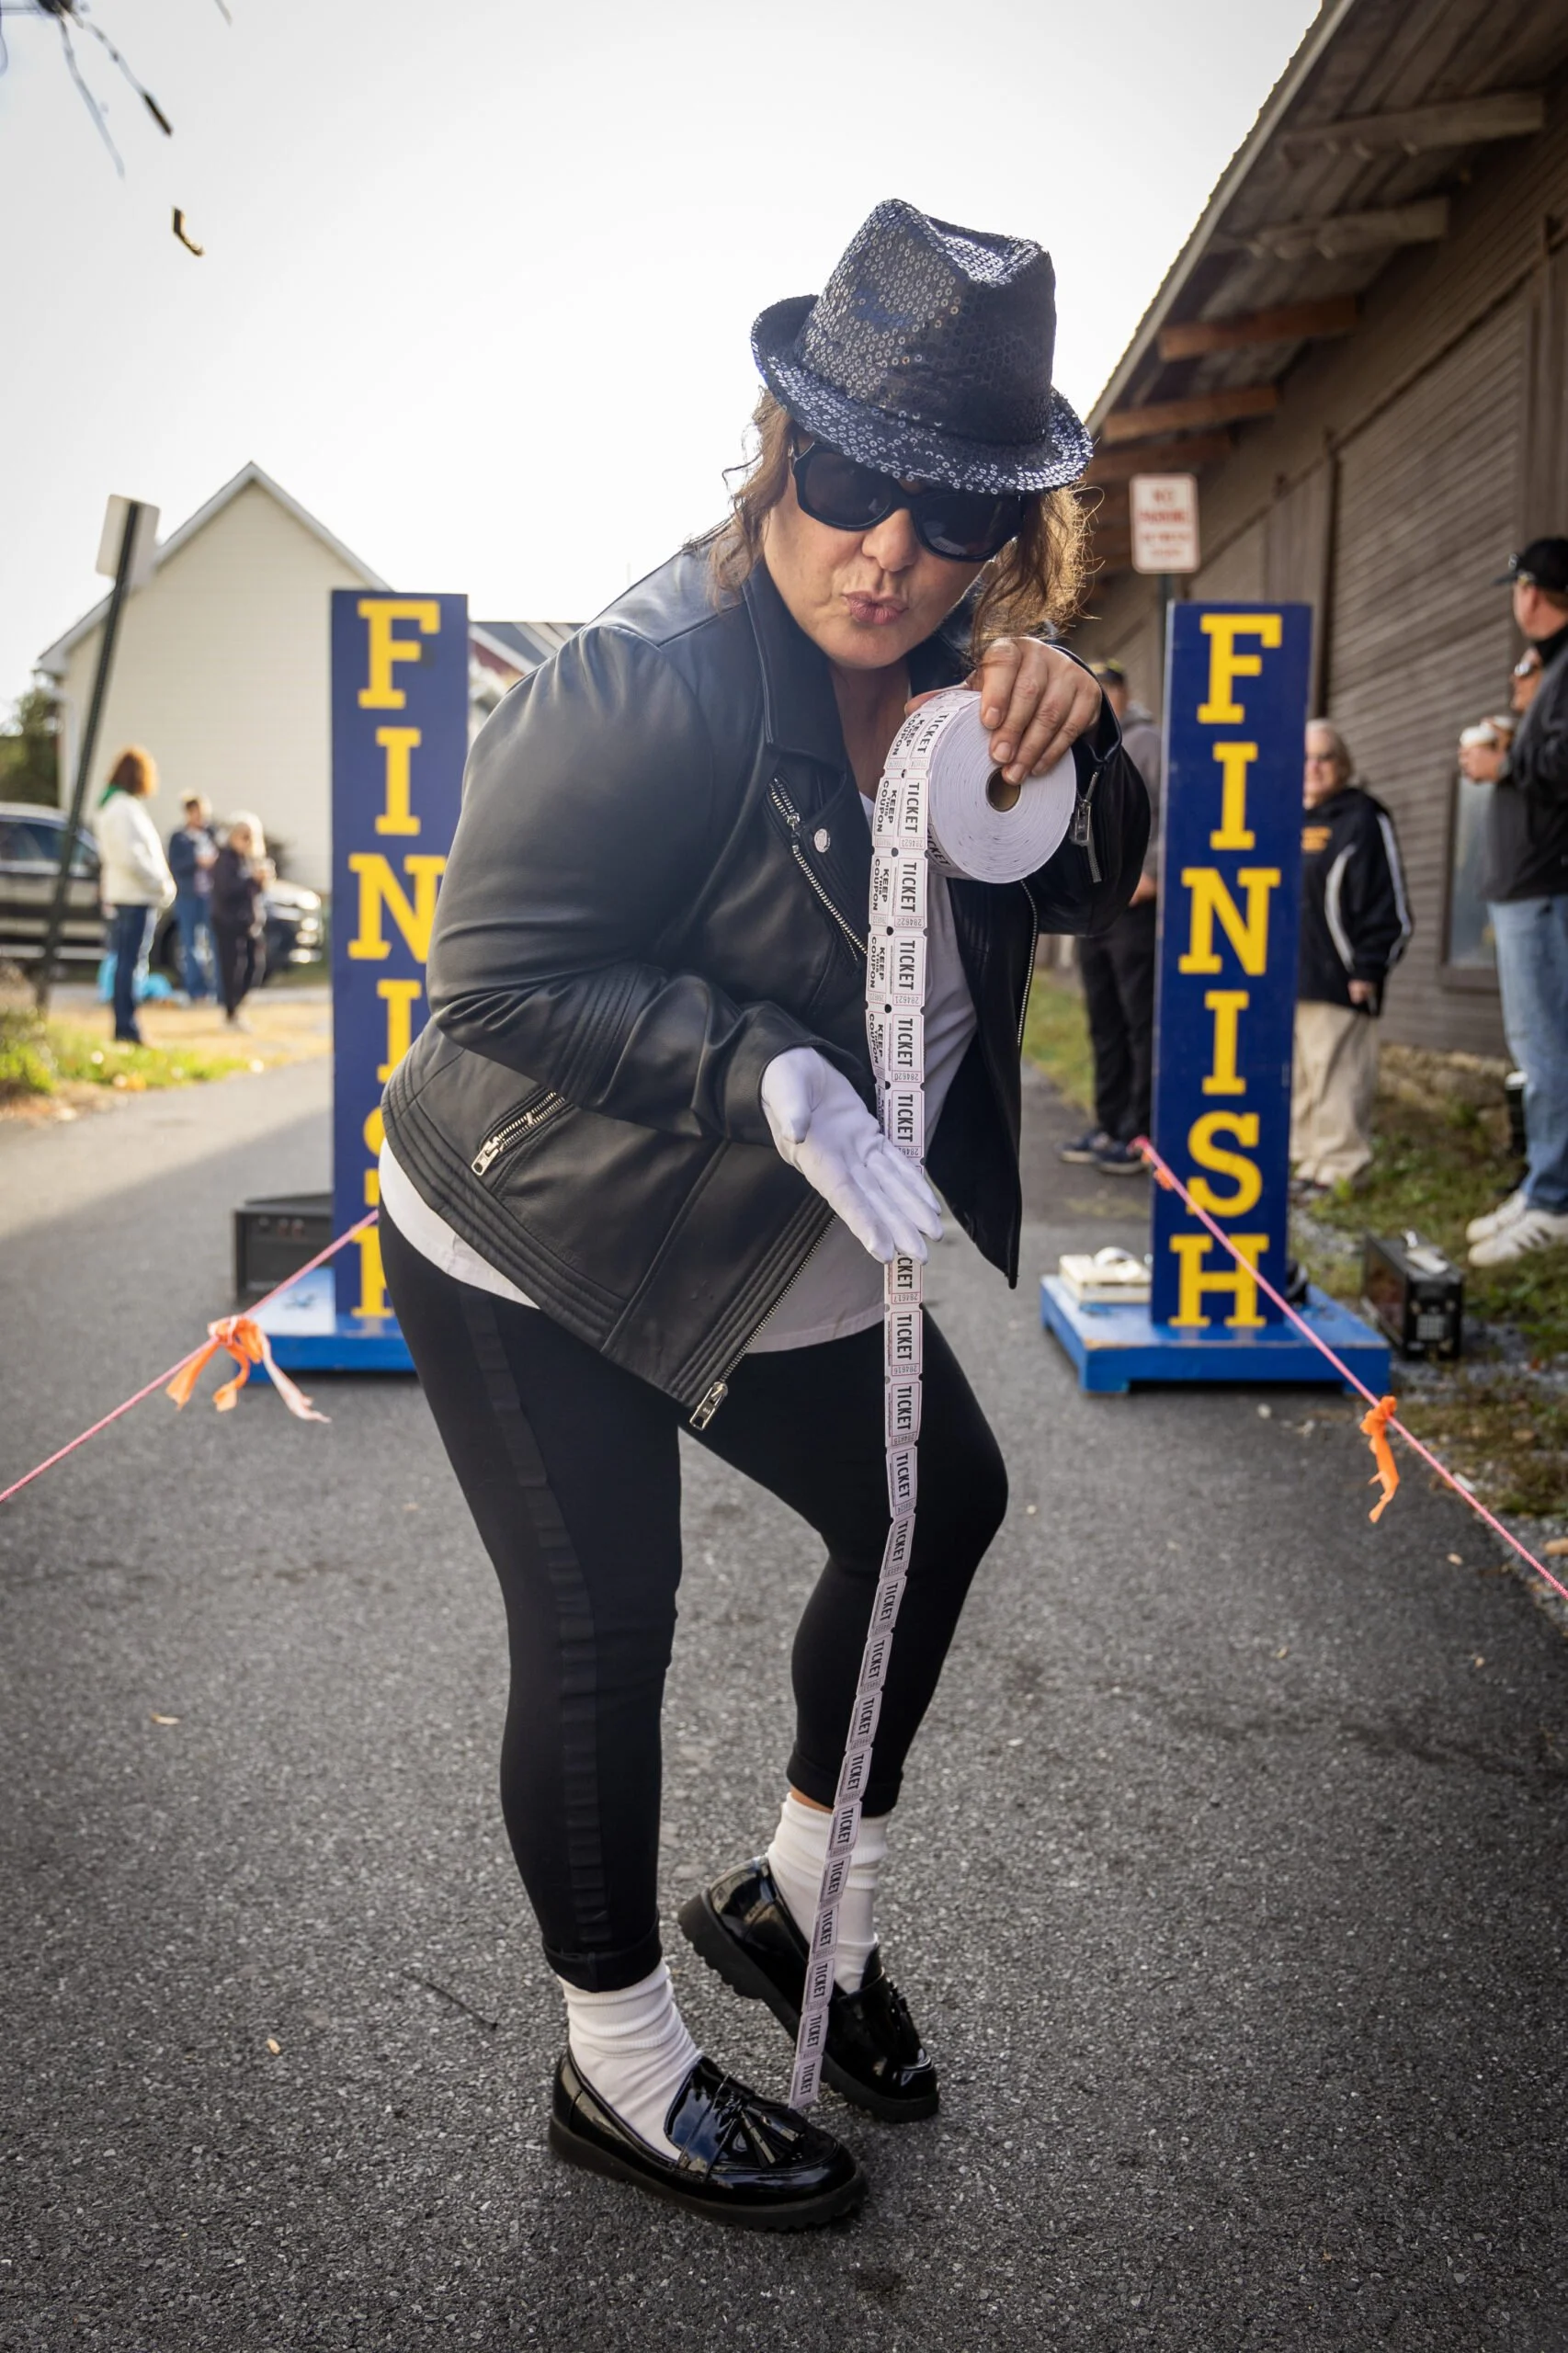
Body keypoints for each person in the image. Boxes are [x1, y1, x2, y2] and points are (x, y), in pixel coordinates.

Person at [376, 199, 1148, 2229]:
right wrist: (772, 1072)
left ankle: (796, 1904)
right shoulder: (642, 681)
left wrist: (1086, 736)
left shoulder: (971, 677)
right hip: (536, 1209)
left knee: (931, 1504)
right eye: (844, 480)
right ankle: (615, 2065)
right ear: (774, 450)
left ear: (1008, 537)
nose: (879, 545)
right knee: (604, 1619)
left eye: (944, 513)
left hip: (769, 1206)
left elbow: (1078, 877)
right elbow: (499, 984)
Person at [1459, 538, 1568, 1267]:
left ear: (1532, 592)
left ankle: (1553, 1201)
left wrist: (1506, 759)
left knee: (1547, 1047)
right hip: (1525, 885)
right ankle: (1540, 1186)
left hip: (1544, 886)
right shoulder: (1551, 672)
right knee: (1537, 1046)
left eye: (1519, 588)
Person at [1290, 720, 1411, 1197]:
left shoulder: (1363, 817)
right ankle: (1306, 1164)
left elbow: (1388, 902)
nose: (1313, 768)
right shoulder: (1287, 818)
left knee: (1337, 1076)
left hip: (1341, 977)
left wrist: (1368, 967)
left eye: (1324, 758)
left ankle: (1339, 1170)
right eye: (1305, 759)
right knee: (1300, 1079)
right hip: (1291, 977)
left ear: (1343, 765)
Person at [1061, 657, 1161, 1174]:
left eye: (1108, 688)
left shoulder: (1146, 742)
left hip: (1134, 906)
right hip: (1095, 906)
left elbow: (1169, 811)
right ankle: (1109, 1123)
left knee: (1136, 1020)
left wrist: (1155, 874)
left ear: (1121, 694)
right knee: (1103, 1021)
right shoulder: (1081, 744)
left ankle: (1138, 1132)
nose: (1099, 695)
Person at [93, 746, 175, 1046]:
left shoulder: (114, 806)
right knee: (130, 962)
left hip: (129, 893)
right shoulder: (122, 808)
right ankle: (127, 1027)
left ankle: (127, 1025)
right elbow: (133, 857)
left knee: (128, 960)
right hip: (135, 895)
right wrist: (160, 884)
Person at [210, 815, 268, 1029]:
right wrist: (251, 879)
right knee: (231, 969)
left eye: (251, 837)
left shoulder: (249, 859)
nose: (247, 841)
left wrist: (261, 881)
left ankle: (238, 1006)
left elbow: (253, 892)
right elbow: (227, 890)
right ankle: (231, 1012)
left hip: (249, 923)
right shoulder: (225, 859)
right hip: (228, 922)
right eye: (243, 836)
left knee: (255, 966)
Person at [166, 793, 217, 1002]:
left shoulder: (211, 835)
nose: (200, 818)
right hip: (188, 896)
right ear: (188, 813)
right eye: (197, 813)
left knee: (213, 943)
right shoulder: (179, 838)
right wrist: (196, 861)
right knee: (190, 943)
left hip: (210, 896)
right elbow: (175, 866)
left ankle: (215, 988)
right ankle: (195, 990)